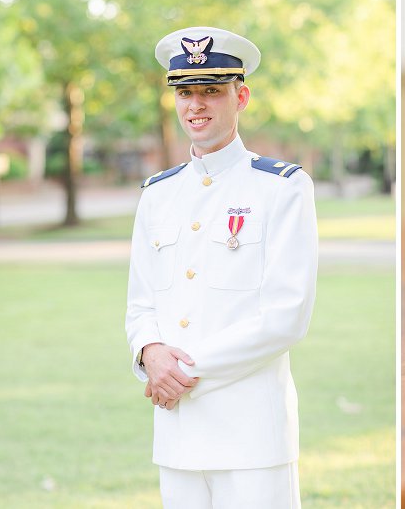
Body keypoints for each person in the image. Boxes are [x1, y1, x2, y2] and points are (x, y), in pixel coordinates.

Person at [125, 26, 318, 508]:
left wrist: (177, 374)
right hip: (177, 435)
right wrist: (149, 351)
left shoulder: (282, 188)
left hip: (252, 437)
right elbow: (140, 304)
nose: (196, 105)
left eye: (211, 90)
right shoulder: (157, 194)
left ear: (241, 96)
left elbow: (285, 318)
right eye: (186, 93)